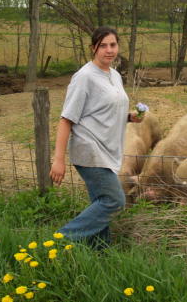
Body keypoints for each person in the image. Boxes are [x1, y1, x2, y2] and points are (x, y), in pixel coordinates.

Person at [49, 26, 142, 248]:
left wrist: (129, 117)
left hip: (109, 149)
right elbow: (66, 119)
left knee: (100, 203)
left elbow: (103, 110)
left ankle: (98, 251)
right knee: (114, 201)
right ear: (93, 48)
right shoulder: (84, 77)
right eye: (103, 46)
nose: (109, 50)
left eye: (113, 45)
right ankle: (57, 243)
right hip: (90, 150)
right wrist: (58, 159)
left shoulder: (115, 76)